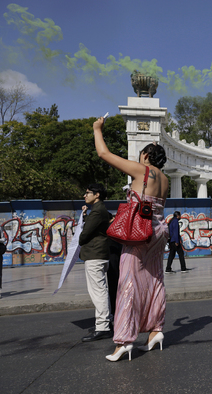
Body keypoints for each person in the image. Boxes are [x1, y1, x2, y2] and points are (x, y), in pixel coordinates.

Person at [93, 117, 169, 362]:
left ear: (146, 156)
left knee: (128, 284)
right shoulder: (165, 180)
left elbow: (103, 153)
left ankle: (124, 341)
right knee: (155, 279)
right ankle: (156, 330)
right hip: (159, 232)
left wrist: (97, 129)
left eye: (140, 154)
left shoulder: (142, 170)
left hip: (139, 232)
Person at [79, 183, 113, 342]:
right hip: (99, 254)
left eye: (87, 193)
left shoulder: (97, 211)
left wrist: (81, 233)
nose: (85, 196)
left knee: (98, 291)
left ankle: (103, 327)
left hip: (95, 255)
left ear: (97, 194)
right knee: (101, 290)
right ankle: (105, 323)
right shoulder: (101, 211)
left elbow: (84, 235)